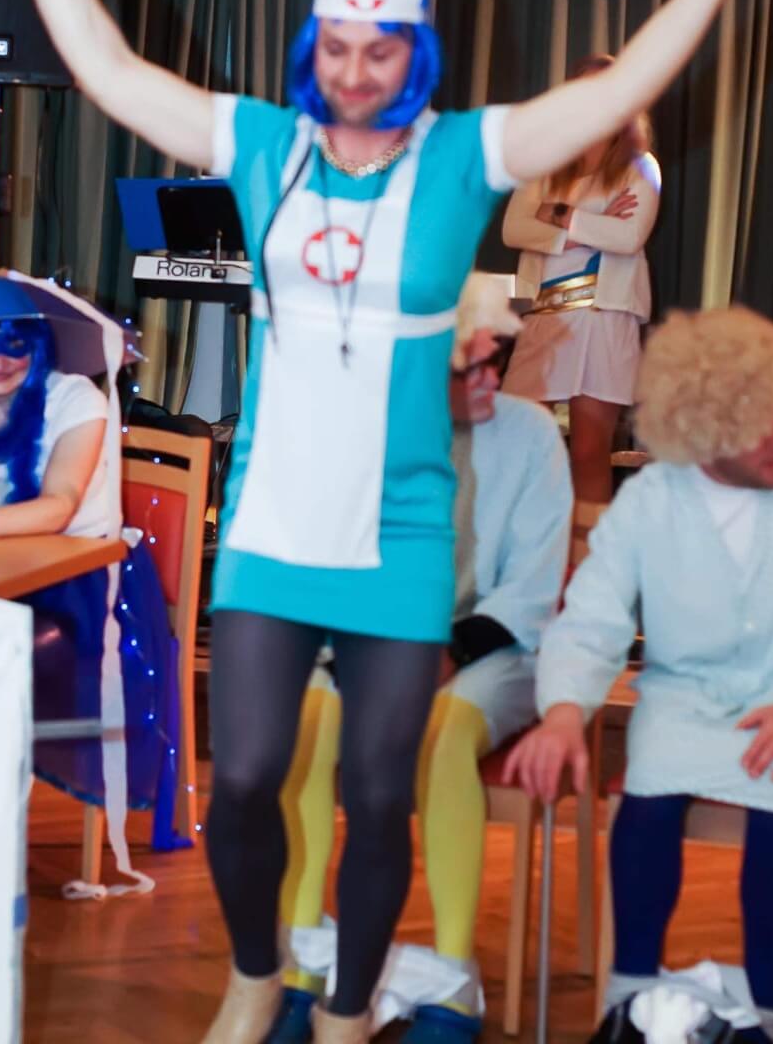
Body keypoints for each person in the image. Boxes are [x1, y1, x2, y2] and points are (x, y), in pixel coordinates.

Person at [10, 0, 773, 1044]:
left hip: (403, 533)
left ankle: (350, 1006)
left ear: (411, 55)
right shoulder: (263, 144)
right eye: (337, 47)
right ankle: (258, 968)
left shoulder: (461, 157)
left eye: (379, 50)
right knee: (245, 777)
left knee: (379, 792)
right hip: (274, 523)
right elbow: (110, 71)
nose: (356, 70)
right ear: (311, 50)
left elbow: (620, 88)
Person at [274, 275, 572, 1043]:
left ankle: (451, 985)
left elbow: (533, 588)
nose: (490, 379)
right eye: (469, 368)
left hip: (495, 648)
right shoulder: (368, 436)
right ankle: (301, 967)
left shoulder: (534, 435)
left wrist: (447, 651)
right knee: (308, 726)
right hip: (376, 639)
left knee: (441, 738)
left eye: (496, 361)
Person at [504, 307, 773, 1044]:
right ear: (703, 437)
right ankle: (631, 994)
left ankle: (763, 1003)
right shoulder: (651, 500)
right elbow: (592, 617)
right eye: (758, 427)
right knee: (649, 796)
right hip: (680, 701)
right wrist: (564, 711)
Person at [0, 273, 179, 893]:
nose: (0, 360)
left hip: (87, 586)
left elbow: (58, 507)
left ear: (38, 343)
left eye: (15, 342)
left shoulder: (76, 400)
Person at [502, 58, 660, 574]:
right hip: (546, 317)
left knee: (590, 454)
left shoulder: (640, 167)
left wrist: (559, 215)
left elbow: (628, 237)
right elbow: (513, 230)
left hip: (605, 316)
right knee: (518, 443)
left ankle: (587, 578)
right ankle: (522, 569)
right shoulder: (549, 161)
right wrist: (588, 226)